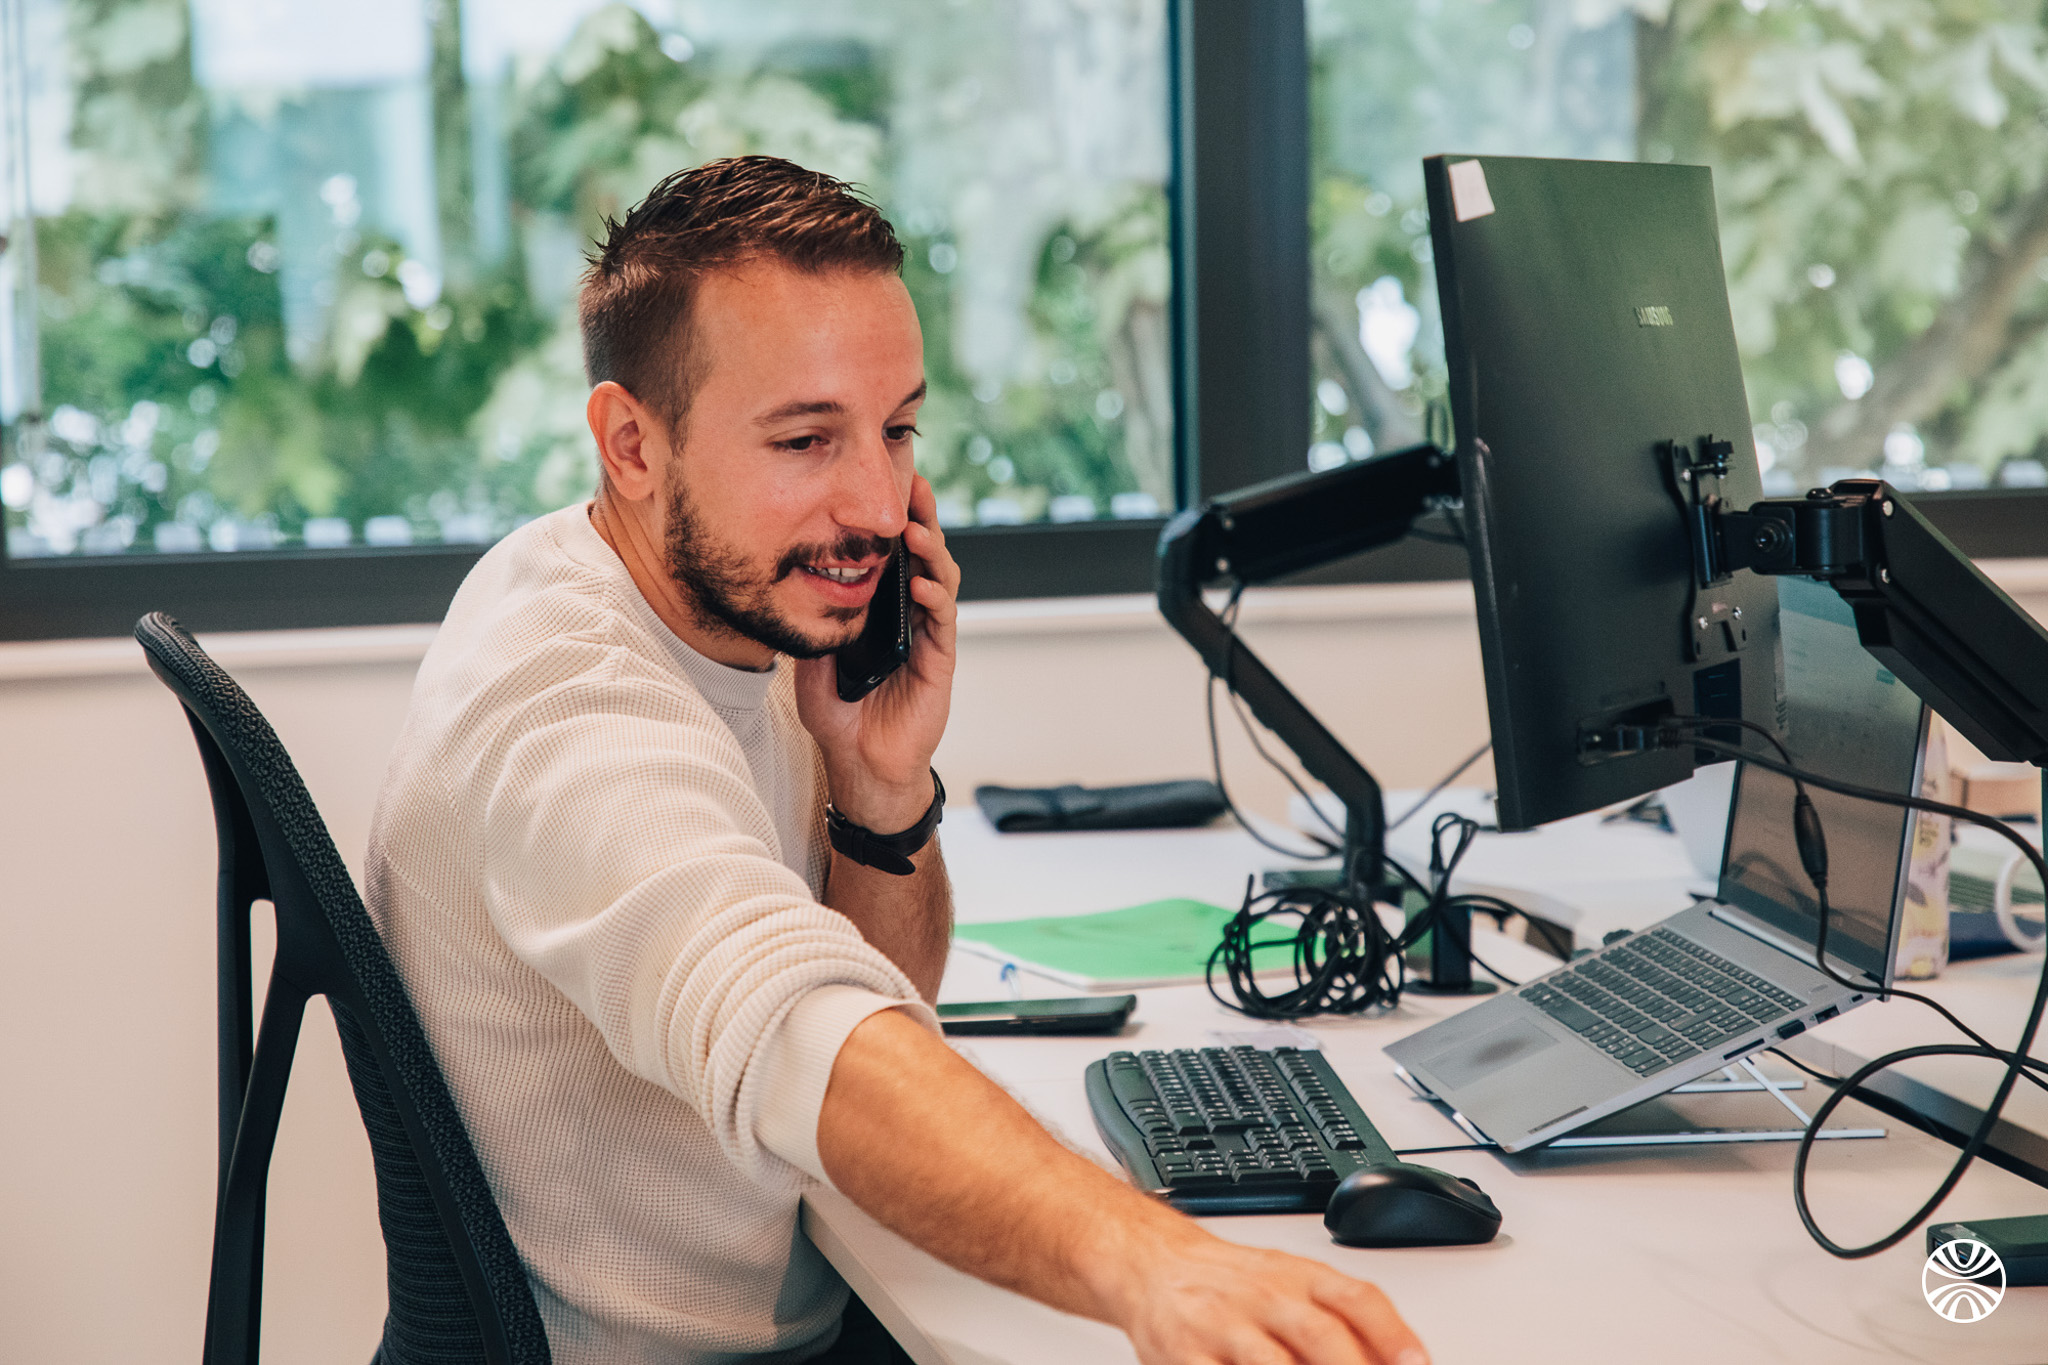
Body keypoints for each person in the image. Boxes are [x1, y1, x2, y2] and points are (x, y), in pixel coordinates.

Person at [367, 155, 1427, 1365]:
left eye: (896, 429)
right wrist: (1152, 1259)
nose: (877, 505)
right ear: (631, 443)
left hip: (812, 1308)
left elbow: (882, 998)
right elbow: (795, 1029)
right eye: (806, 439)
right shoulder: (568, 703)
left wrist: (876, 792)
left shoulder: (732, 619)